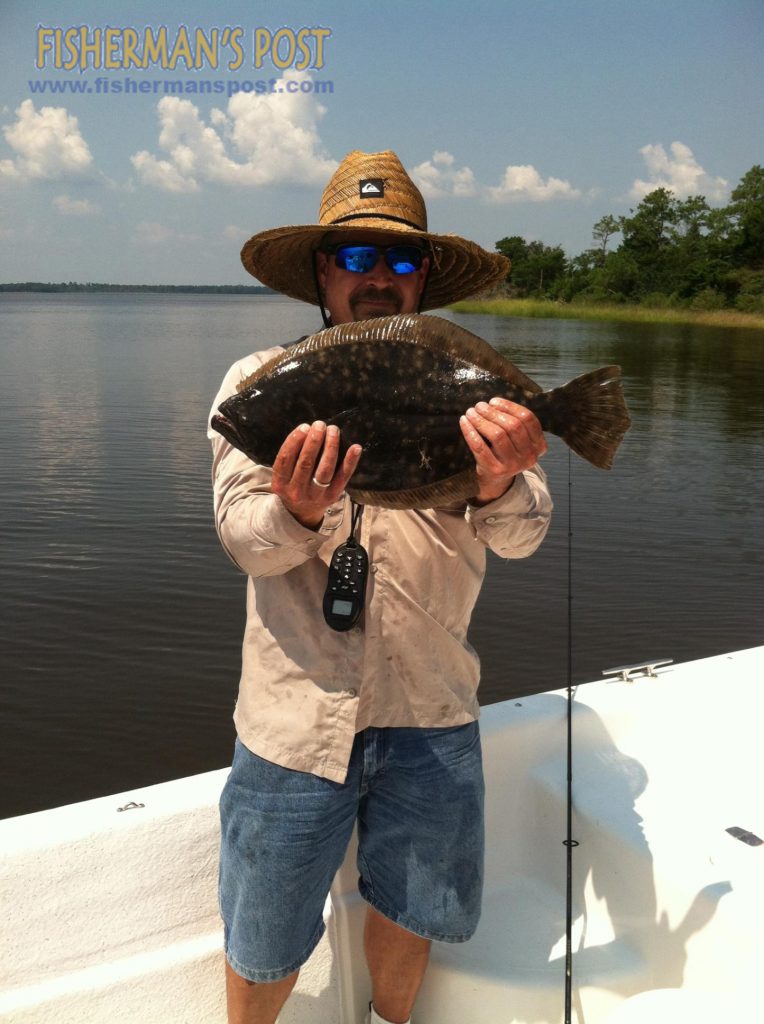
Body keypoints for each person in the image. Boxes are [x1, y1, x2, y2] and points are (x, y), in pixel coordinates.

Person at [208, 150, 552, 1024]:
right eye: (356, 258)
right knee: (264, 933)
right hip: (295, 723)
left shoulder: (467, 388)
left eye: (398, 259)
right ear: (323, 271)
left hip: (432, 710)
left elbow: (525, 535)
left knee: (412, 911)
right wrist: (294, 509)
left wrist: (500, 482)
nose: (376, 278)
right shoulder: (260, 382)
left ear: (423, 276)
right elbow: (244, 540)